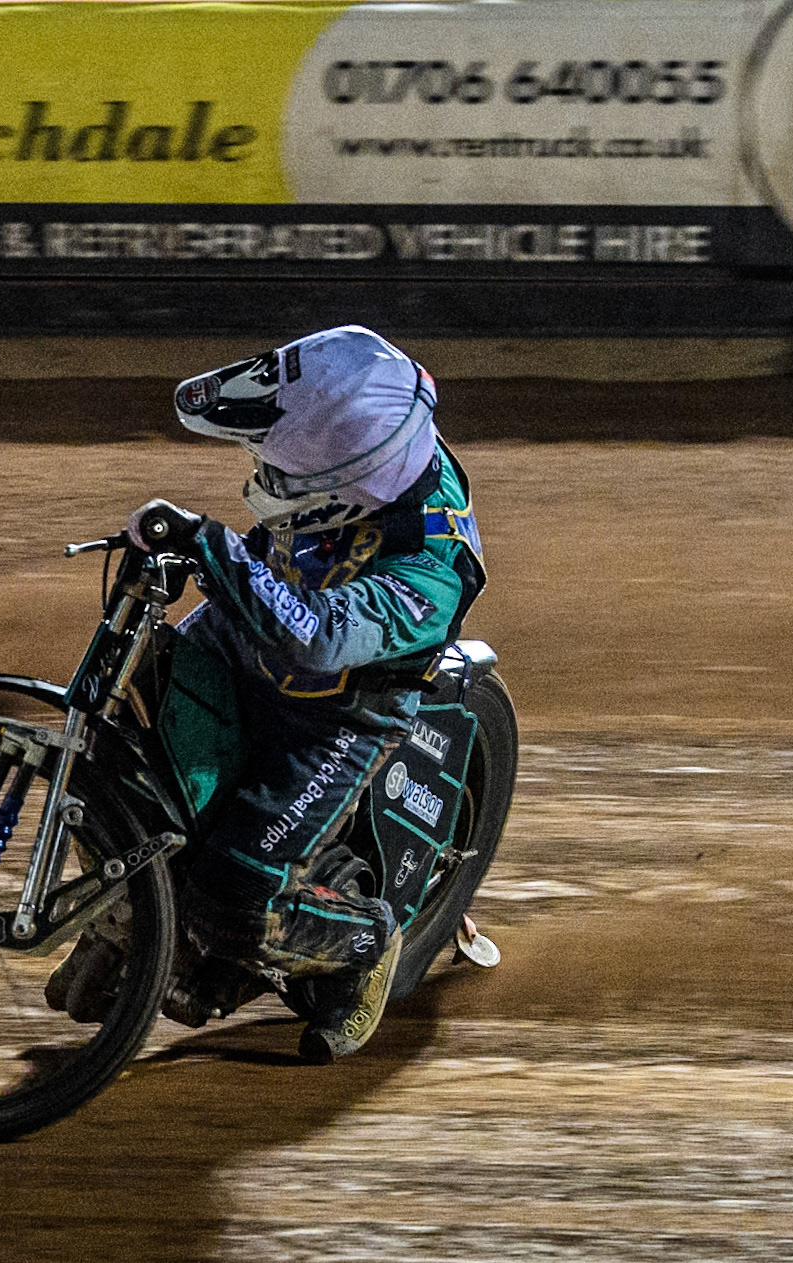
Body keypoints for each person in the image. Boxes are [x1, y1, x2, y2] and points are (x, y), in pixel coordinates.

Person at [49, 325, 486, 1062]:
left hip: (339, 714)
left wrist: (212, 547)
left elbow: (316, 636)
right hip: (257, 623)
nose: (260, 475)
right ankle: (132, 911)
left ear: (342, 488)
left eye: (279, 473)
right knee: (117, 741)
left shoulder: (430, 569)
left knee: (231, 898)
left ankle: (369, 939)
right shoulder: (369, 413)